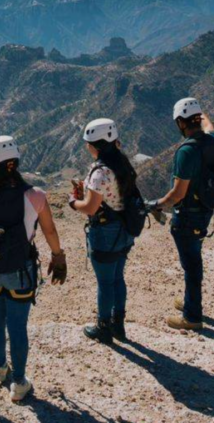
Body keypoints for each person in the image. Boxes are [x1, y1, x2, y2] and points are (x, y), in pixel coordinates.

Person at [0, 136, 67, 403]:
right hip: (21, 269)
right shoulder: (35, 195)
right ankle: (18, 383)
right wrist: (58, 257)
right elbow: (50, 230)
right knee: (17, 327)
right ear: (16, 162)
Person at [146, 98, 214, 331]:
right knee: (193, 261)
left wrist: (156, 204)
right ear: (197, 119)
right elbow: (209, 126)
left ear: (180, 122)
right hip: (204, 211)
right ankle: (191, 301)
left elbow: (177, 194)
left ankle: (192, 317)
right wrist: (200, 111)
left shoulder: (186, 151)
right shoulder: (211, 140)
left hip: (187, 216)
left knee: (191, 266)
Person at [67, 118, 136, 344]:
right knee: (117, 278)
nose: (86, 146)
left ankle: (103, 328)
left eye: (88, 143)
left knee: (105, 283)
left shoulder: (100, 172)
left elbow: (90, 207)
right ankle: (118, 325)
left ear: (95, 145)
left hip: (105, 231)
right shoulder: (122, 163)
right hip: (124, 228)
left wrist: (73, 202)